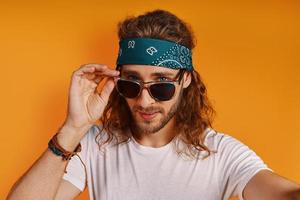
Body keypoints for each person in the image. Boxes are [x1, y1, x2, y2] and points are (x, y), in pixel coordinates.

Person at [7, 9, 300, 200]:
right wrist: (73, 128)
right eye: (131, 84)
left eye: (160, 85)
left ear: (186, 80)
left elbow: (282, 194)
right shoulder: (96, 146)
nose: (144, 100)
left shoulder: (221, 153)